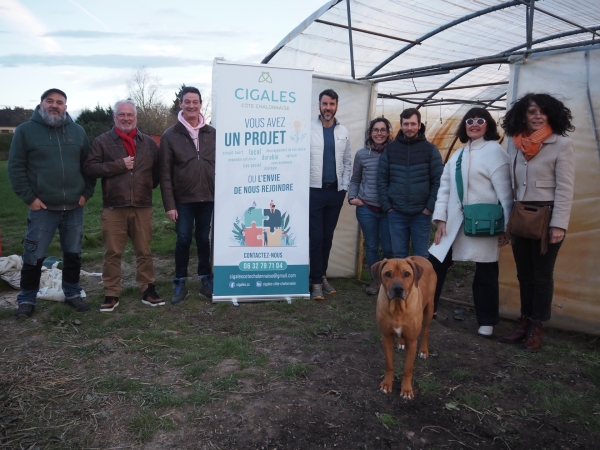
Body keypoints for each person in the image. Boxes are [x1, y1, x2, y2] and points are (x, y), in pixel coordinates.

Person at [8, 88, 96, 319]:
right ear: (41, 104)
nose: (55, 105)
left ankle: (72, 292)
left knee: (73, 254)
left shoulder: (77, 132)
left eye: (60, 102)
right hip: (43, 208)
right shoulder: (26, 131)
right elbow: (15, 167)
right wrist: (30, 198)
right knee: (33, 255)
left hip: (74, 207)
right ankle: (27, 298)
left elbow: (88, 165)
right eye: (50, 101)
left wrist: (86, 193)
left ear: (66, 106)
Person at [499, 93, 575, 351]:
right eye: (532, 111)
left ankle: (536, 326)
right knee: (524, 274)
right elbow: (513, 185)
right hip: (521, 216)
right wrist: (508, 219)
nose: (537, 116)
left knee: (542, 276)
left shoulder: (561, 144)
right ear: (523, 114)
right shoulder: (516, 144)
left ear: (551, 115)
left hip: (546, 216)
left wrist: (559, 224)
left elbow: (565, 188)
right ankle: (524, 321)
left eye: (542, 111)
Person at [428, 108, 513, 337]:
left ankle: (487, 321)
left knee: (485, 272)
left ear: (488, 125)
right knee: (435, 263)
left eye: (480, 121)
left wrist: (507, 228)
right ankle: (428, 309)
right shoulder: (458, 155)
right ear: (464, 126)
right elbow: (444, 189)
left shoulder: (496, 152)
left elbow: (506, 193)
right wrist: (441, 219)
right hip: (455, 223)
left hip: (485, 224)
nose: (474, 124)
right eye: (470, 121)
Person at [84, 99, 163, 312]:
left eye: (130, 115)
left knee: (144, 251)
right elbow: (90, 168)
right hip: (114, 207)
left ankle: (148, 289)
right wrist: (119, 165)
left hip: (142, 205)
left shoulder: (148, 143)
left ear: (136, 117)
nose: (126, 118)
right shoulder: (102, 141)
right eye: (122, 115)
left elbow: (156, 172)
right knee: (112, 252)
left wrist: (146, 185)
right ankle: (111, 293)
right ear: (114, 117)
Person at [159, 86, 215, 304]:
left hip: (208, 198)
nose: (191, 105)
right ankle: (180, 281)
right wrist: (169, 204)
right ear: (181, 104)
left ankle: (205, 280)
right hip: (182, 200)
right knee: (183, 239)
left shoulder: (212, 133)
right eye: (187, 102)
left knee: (203, 239)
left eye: (196, 101)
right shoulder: (170, 136)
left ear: (201, 104)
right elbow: (164, 174)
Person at [377, 108, 443, 259]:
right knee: (399, 257)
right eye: (406, 124)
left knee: (421, 257)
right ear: (401, 125)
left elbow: (438, 181)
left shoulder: (430, 150)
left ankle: (420, 284)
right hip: (396, 213)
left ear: (419, 125)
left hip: (421, 214)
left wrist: (429, 208)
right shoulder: (391, 150)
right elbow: (382, 179)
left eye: (413, 124)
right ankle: (402, 284)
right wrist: (388, 207)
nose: (409, 128)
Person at [309, 89, 351, 301]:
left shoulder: (343, 131)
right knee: (316, 237)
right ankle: (316, 281)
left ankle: (321, 275)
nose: (328, 108)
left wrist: (343, 187)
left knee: (327, 237)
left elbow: (347, 161)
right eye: (325, 103)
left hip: (335, 193)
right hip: (314, 191)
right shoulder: (309, 129)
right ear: (319, 105)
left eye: (332, 104)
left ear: (336, 106)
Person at [348, 117, 394, 295]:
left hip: (388, 209)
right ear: (370, 133)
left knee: (389, 247)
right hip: (367, 208)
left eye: (383, 130)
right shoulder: (362, 154)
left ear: (388, 132)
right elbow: (356, 179)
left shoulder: (394, 152)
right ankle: (376, 282)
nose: (379, 133)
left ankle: (388, 280)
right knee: (372, 246)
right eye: (376, 130)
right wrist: (352, 197)